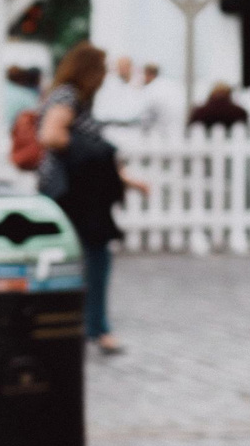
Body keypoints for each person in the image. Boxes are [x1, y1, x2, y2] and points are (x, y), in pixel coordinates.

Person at [37, 42, 149, 354]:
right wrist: (95, 152)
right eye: (101, 70)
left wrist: (128, 179)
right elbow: (52, 135)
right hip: (73, 194)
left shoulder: (72, 98)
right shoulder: (68, 97)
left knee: (87, 257)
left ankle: (86, 326)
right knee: (93, 257)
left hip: (77, 192)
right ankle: (94, 328)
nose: (104, 77)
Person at [91, 52, 146, 128]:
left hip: (132, 127)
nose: (122, 69)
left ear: (131, 67)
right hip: (110, 127)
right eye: (120, 66)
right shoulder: (108, 84)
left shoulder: (139, 86)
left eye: (125, 66)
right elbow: (101, 111)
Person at [136, 60, 187, 134]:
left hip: (160, 131)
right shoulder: (168, 85)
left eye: (143, 74)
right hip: (178, 129)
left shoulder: (151, 89)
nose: (142, 78)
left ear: (149, 74)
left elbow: (144, 116)